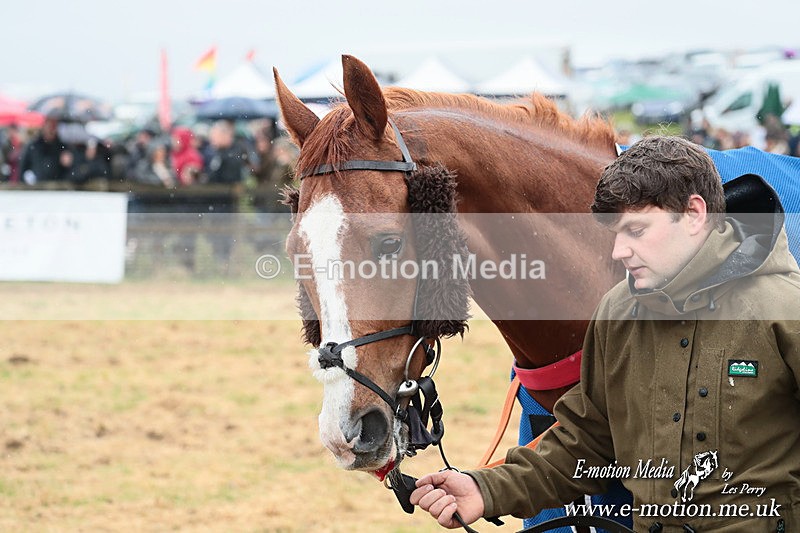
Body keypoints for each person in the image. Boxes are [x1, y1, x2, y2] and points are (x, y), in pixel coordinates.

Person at [410, 135, 800, 532]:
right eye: (616, 234)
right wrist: (486, 489)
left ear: (694, 214)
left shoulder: (786, 310)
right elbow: (587, 443)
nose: (619, 251)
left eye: (636, 230)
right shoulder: (618, 313)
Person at [19, 116, 72, 184]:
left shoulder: (63, 147)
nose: (51, 129)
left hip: (56, 187)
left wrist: (67, 164)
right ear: (44, 126)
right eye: (50, 125)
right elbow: (23, 166)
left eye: (54, 126)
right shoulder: (33, 145)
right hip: (36, 187)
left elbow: (69, 171)